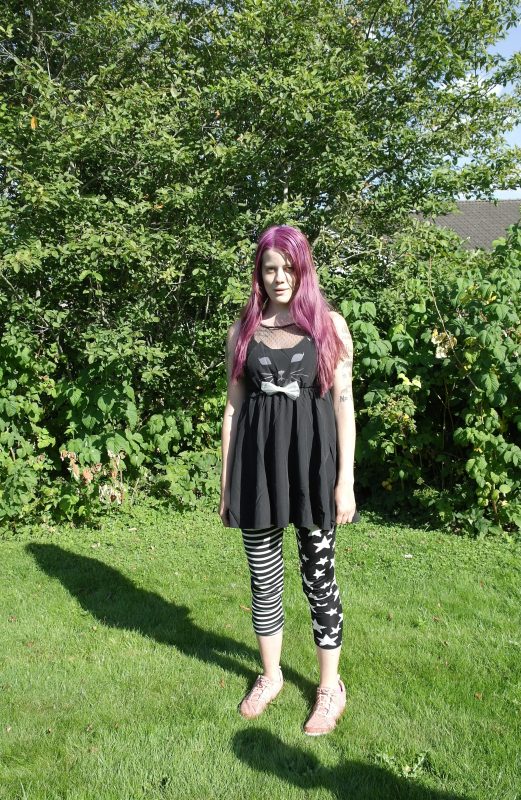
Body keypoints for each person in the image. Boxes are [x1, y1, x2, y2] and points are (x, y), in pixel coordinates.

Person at [219, 224, 357, 736]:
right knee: (263, 578)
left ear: (304, 269)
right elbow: (233, 410)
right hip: (257, 470)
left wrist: (345, 480)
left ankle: (329, 687)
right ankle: (271, 675)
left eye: (288, 268)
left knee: (319, 577)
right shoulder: (243, 331)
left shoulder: (329, 326)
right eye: (269, 268)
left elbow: (343, 405)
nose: (279, 278)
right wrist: (226, 484)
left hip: (313, 468)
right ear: (259, 274)